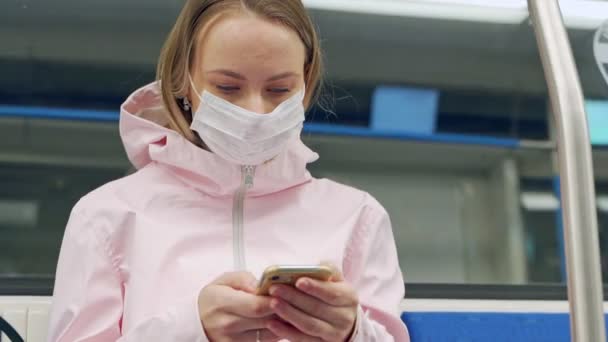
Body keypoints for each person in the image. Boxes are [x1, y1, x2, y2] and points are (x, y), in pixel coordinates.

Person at [46, 0, 410, 341]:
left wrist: (352, 333)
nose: (256, 110)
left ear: (306, 82)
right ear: (183, 80)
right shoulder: (106, 216)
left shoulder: (357, 217)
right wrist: (191, 329)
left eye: (280, 88)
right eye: (228, 87)